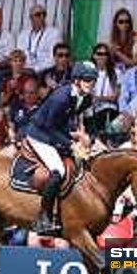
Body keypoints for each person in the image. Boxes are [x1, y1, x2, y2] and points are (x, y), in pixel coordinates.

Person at [24, 61, 98, 234]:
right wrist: (72, 145)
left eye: (93, 80)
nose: (91, 83)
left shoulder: (86, 98)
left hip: (60, 133)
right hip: (40, 135)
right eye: (87, 80)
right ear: (76, 80)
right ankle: (43, 218)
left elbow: (91, 122)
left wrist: (91, 139)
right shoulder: (61, 97)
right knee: (58, 172)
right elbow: (49, 127)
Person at [86, 43, 121, 139]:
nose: (102, 57)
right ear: (94, 55)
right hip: (91, 109)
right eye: (99, 54)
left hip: (108, 109)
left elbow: (115, 96)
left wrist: (99, 98)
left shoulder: (116, 72)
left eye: (105, 54)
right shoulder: (88, 72)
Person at [16, 4, 62, 73]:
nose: (42, 17)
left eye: (44, 14)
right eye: (38, 14)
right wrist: (22, 68)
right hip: (24, 69)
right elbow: (18, 54)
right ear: (31, 18)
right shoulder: (23, 34)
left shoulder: (54, 33)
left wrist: (35, 69)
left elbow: (54, 58)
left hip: (44, 70)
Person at [8, 76, 41, 144]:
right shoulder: (16, 106)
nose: (28, 96)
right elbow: (11, 125)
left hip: (35, 144)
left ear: (37, 94)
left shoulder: (42, 109)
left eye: (31, 93)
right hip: (17, 142)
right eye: (26, 92)